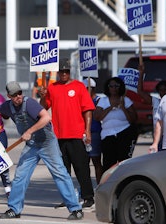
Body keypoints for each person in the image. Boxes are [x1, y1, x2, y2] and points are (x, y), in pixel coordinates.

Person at [0, 81, 84, 220]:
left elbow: (46, 117)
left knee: (60, 174)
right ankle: (14, 209)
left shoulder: (29, 103)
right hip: (32, 145)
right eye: (14, 95)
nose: (18, 97)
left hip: (47, 143)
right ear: (9, 96)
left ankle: (76, 209)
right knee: (20, 177)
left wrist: (30, 131)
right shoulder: (8, 106)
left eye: (19, 93)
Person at [38, 58, 95, 209]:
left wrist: (87, 130)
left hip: (76, 134)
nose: (63, 73)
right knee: (63, 170)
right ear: (57, 72)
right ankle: (68, 198)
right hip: (58, 135)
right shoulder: (52, 88)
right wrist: (42, 96)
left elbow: (87, 110)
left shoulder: (79, 86)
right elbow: (42, 109)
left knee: (81, 167)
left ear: (69, 71)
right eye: (61, 71)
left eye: (66, 71)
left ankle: (88, 197)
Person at [93, 77, 138, 171]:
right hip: (108, 135)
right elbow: (97, 117)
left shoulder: (126, 100)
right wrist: (110, 107)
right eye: (111, 86)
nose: (114, 88)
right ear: (108, 88)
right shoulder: (103, 101)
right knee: (108, 163)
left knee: (124, 161)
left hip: (124, 133)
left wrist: (123, 108)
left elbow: (132, 119)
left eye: (116, 86)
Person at [137, 64, 166, 150]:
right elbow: (140, 91)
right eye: (161, 90)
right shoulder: (156, 101)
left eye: (165, 90)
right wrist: (141, 74)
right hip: (158, 134)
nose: (163, 92)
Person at [83, 78, 103, 184]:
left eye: (86, 89)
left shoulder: (99, 100)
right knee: (84, 163)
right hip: (82, 134)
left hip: (94, 133)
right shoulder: (81, 100)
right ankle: (86, 189)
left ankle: (99, 186)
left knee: (96, 161)